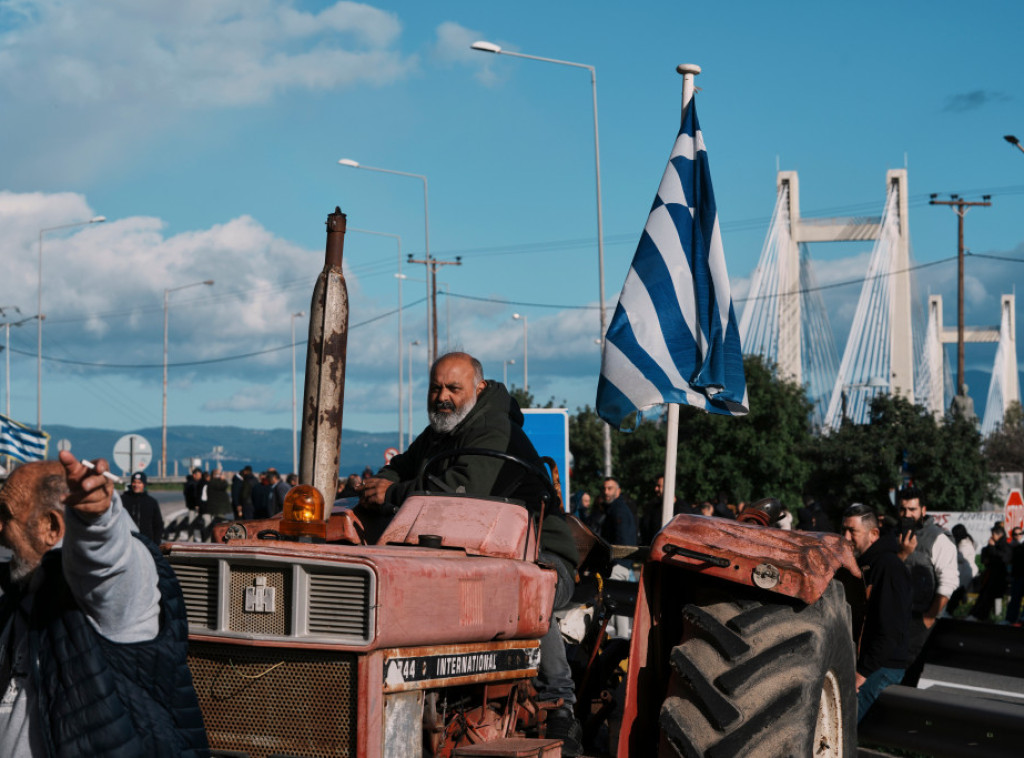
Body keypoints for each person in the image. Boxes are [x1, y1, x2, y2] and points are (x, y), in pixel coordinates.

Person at [360, 352, 583, 756]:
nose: (442, 397)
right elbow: (400, 467)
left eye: (453, 388)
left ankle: (560, 705)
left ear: (478, 390)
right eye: (436, 387)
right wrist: (381, 483)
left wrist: (391, 493)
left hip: (539, 553)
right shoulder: (437, 434)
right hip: (475, 554)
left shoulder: (492, 426)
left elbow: (463, 488)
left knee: (531, 588)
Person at [0, 452, 208, 756]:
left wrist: (94, 519)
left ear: (51, 528)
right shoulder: (23, 583)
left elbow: (105, 564)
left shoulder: (122, 587)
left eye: (6, 515)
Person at [841, 504, 912, 722]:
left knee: (842, 725)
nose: (845, 537)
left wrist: (860, 675)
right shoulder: (862, 565)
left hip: (881, 666)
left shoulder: (888, 567)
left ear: (873, 534)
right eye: (843, 529)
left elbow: (890, 630)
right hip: (866, 662)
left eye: (852, 531)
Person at [897, 485, 959, 666]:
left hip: (918, 619)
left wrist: (928, 619)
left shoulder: (938, 538)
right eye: (902, 509)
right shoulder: (895, 534)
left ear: (923, 510)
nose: (907, 514)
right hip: (894, 617)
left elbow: (948, 583)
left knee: (905, 680)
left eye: (912, 509)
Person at [600, 477, 637, 640]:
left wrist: (614, 560)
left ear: (618, 491)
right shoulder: (615, 509)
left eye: (610, 488)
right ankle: (619, 642)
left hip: (618, 563)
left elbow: (622, 539)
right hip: (619, 562)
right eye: (605, 488)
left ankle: (620, 642)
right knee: (615, 604)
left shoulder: (618, 510)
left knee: (616, 604)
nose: (606, 492)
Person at [120, 471, 164, 544]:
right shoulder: (122, 500)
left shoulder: (151, 502)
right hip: (126, 541)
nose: (136, 485)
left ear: (144, 484)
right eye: (134, 482)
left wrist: (156, 542)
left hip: (146, 542)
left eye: (139, 483)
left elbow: (158, 524)